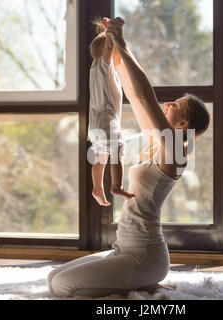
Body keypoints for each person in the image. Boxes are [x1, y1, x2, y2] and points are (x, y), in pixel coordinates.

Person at [47, 17, 210, 298]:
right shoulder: (155, 143)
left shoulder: (175, 152)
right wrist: (116, 44)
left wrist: (121, 44)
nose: (168, 103)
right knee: (53, 278)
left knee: (65, 287)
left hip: (145, 257)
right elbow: (134, 96)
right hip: (124, 248)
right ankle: (137, 285)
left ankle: (138, 286)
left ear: (183, 125)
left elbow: (146, 98)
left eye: (175, 106)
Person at [87, 17, 134, 206]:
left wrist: (108, 32)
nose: (121, 55)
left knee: (100, 157)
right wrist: (113, 32)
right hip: (106, 121)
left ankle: (97, 186)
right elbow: (108, 50)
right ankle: (117, 185)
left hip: (95, 124)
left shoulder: (95, 69)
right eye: (118, 50)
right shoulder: (105, 67)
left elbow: (106, 50)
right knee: (117, 149)